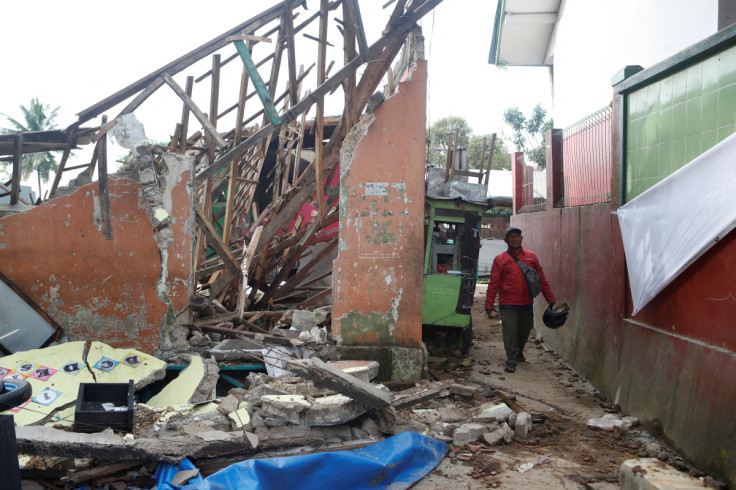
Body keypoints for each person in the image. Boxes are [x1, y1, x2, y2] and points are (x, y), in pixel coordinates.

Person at [485, 226, 555, 373]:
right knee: (510, 332)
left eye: (517, 236)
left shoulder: (531, 257)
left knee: (525, 330)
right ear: (506, 240)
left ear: (521, 239)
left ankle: (519, 351)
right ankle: (511, 359)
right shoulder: (500, 260)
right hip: (507, 303)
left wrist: (551, 300)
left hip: (526, 302)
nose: (515, 239)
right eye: (511, 237)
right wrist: (489, 303)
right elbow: (494, 283)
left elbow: (541, 279)